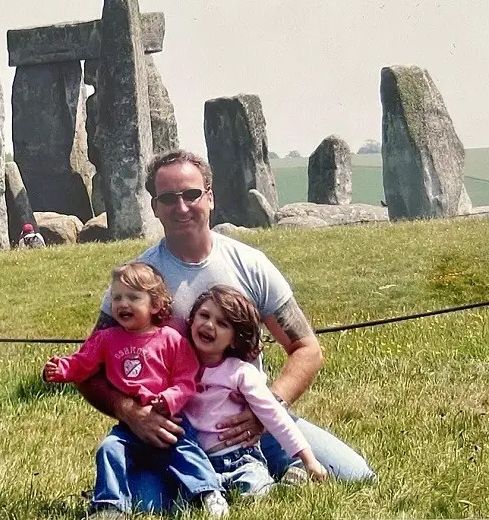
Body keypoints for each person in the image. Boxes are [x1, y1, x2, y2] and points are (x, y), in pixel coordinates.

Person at [77, 149, 375, 512]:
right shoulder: (138, 281)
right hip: (174, 433)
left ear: (210, 197)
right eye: (168, 198)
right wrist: (132, 414)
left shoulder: (249, 264)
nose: (182, 207)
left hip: (249, 425)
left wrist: (267, 410)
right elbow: (87, 368)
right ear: (154, 207)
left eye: (191, 194)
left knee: (355, 475)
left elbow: (307, 348)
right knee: (145, 505)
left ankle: (264, 471)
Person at [43, 262, 229, 518]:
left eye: (132, 297)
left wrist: (170, 399)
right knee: (109, 449)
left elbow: (187, 380)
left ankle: (209, 492)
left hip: (169, 418)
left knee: (187, 452)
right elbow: (83, 362)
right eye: (117, 297)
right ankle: (109, 505)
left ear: (154, 305)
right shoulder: (106, 339)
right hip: (129, 424)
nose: (122, 304)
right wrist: (62, 370)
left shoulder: (170, 339)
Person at [184, 285, 327, 496]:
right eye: (203, 315)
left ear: (234, 339)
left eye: (222, 323)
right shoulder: (180, 369)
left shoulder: (240, 373)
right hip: (198, 462)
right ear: (191, 320)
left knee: (254, 491)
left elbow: (274, 415)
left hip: (239, 458)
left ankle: (287, 484)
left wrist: (308, 459)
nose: (209, 324)